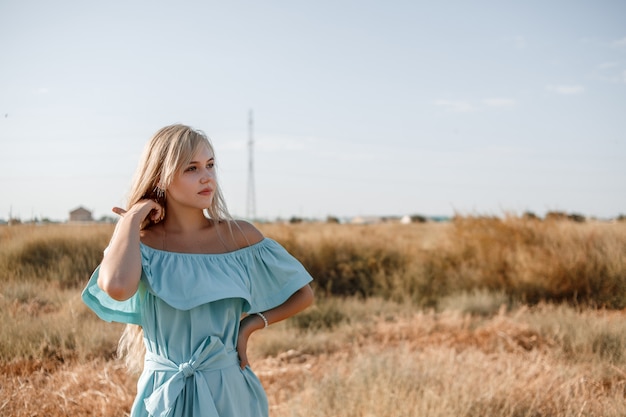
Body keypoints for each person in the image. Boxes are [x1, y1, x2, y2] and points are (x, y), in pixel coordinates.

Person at [82, 124, 314, 416]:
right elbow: (116, 286)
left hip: (229, 391)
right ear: (160, 177)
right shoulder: (142, 242)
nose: (207, 177)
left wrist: (250, 325)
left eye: (210, 165)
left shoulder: (239, 236)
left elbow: (303, 294)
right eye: (191, 168)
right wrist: (132, 218)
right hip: (165, 392)